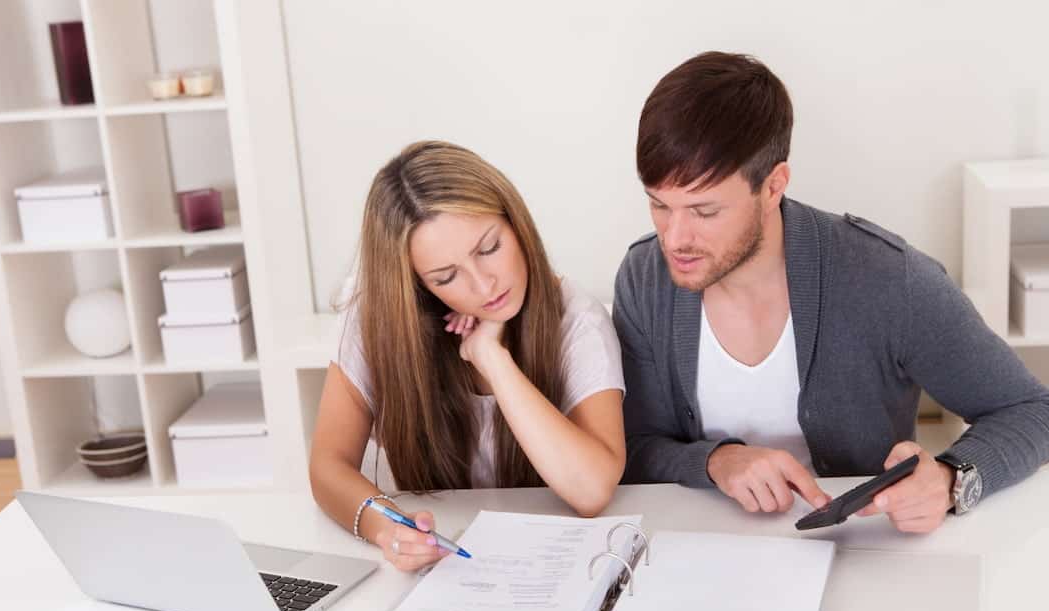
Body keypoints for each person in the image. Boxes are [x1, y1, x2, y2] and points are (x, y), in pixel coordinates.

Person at [614, 51, 1049, 533]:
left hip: (865, 553)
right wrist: (717, 461)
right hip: (709, 557)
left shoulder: (887, 278)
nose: (674, 239)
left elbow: (1033, 411)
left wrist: (951, 478)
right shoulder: (643, 277)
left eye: (705, 211)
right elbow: (635, 446)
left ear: (774, 184)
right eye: (659, 205)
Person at [310, 140, 626, 569]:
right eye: (446, 277)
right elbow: (328, 466)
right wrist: (389, 530)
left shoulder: (578, 322)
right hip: (437, 573)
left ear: (515, 223)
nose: (484, 285)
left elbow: (592, 490)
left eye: (489, 248)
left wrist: (493, 359)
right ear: (418, 286)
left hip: (550, 565)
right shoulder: (375, 322)